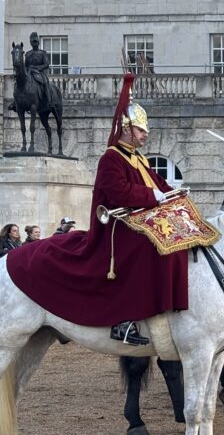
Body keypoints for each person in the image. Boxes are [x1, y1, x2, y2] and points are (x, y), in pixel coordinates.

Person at [6, 73, 189, 346]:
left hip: (137, 220)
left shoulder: (138, 159)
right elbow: (120, 192)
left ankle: (169, 306)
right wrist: (154, 195)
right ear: (126, 128)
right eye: (140, 129)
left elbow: (158, 183)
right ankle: (124, 320)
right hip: (116, 227)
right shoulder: (111, 159)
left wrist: (175, 194)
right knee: (146, 245)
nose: (145, 134)